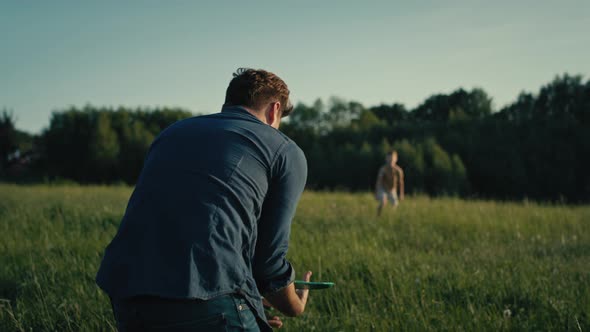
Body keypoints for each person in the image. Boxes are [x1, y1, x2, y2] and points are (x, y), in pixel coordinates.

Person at [96, 68, 312, 331]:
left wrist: (248, 308)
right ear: (274, 110)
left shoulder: (172, 133)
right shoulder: (284, 150)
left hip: (128, 293)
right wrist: (295, 306)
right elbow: (268, 265)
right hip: (208, 294)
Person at [375, 150, 404, 216]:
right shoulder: (383, 169)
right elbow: (378, 181)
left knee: (395, 204)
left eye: (392, 159)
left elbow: (401, 183)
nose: (390, 161)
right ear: (386, 159)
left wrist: (401, 193)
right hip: (383, 188)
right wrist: (376, 192)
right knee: (383, 201)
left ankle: (391, 216)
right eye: (389, 159)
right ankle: (378, 215)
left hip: (392, 189)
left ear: (396, 159)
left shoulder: (398, 171)